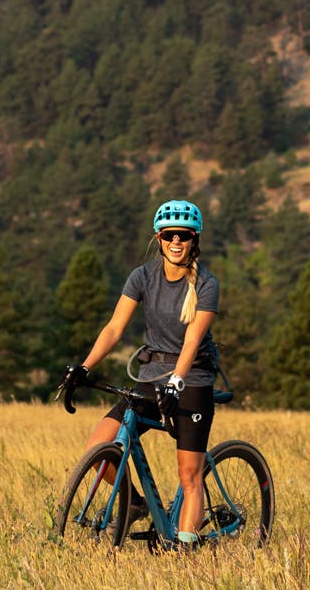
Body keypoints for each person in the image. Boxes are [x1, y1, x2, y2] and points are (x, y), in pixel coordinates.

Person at [61, 198, 219, 549]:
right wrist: (85, 367)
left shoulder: (207, 284)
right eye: (169, 235)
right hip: (150, 378)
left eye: (183, 235)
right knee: (100, 445)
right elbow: (114, 329)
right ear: (159, 238)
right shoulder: (142, 277)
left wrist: (177, 381)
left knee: (189, 475)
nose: (176, 242)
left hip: (191, 380)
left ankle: (186, 552)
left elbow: (192, 340)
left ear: (194, 240)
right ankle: (134, 502)